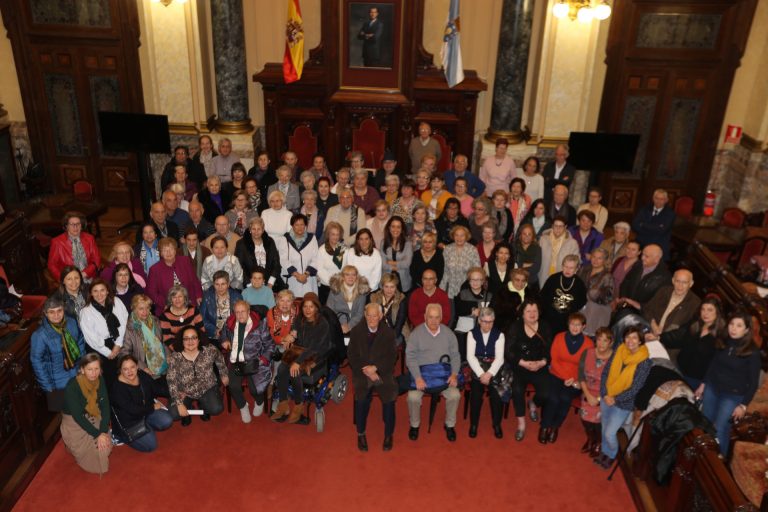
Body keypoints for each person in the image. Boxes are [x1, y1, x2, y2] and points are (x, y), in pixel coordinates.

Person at [698, 310, 761, 455]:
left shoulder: (752, 352)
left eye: (739, 326)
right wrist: (703, 384)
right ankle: (702, 458)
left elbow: (753, 383)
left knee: (720, 429)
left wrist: (743, 406)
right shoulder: (723, 341)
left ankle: (718, 462)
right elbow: (713, 365)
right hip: (712, 388)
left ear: (746, 330)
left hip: (732, 396)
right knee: (705, 423)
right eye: (732, 324)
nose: (733, 328)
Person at [271, 293, 332, 424]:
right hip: (300, 350)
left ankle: (298, 405)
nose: (307, 310)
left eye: (311, 307)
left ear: (316, 308)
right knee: (282, 369)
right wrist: (291, 335)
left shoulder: (323, 324)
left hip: (316, 353)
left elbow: (314, 348)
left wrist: (297, 363)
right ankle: (283, 404)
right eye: (305, 307)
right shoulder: (300, 318)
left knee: (294, 372)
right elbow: (295, 328)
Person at [596, 325, 652, 469]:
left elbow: (636, 388)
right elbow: (606, 372)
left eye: (634, 337)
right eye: (627, 337)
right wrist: (605, 393)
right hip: (607, 395)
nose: (630, 340)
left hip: (623, 403)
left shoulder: (645, 361)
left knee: (610, 432)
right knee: (604, 428)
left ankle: (612, 454)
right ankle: (604, 452)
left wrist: (615, 399)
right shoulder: (619, 350)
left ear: (640, 341)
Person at [406, 303, 461, 442]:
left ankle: (449, 425)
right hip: (422, 375)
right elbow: (410, 357)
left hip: (444, 376)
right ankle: (414, 425)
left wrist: (454, 374)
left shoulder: (449, 334)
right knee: (413, 397)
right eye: (430, 317)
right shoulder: (416, 334)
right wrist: (417, 378)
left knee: (455, 395)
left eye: (437, 317)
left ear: (441, 318)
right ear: (425, 317)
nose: (434, 321)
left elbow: (455, 356)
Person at [348, 303, 397, 451]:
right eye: (368, 315)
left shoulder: (388, 333)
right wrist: (368, 370)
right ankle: (361, 433)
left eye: (375, 315)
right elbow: (352, 355)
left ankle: (389, 434)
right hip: (362, 371)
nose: (371, 318)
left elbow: (391, 357)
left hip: (382, 371)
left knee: (389, 394)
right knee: (362, 397)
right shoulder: (357, 331)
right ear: (364, 315)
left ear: (381, 316)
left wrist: (376, 368)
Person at [541, 313, 593, 444]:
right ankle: (544, 426)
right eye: (572, 324)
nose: (575, 327)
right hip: (556, 374)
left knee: (564, 398)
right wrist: (565, 377)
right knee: (553, 398)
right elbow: (554, 359)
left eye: (578, 325)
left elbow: (586, 366)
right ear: (568, 325)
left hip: (575, 379)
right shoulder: (559, 337)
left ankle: (555, 427)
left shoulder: (588, 343)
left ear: (584, 326)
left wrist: (574, 379)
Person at [506, 298, 552, 442]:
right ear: (522, 313)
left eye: (535, 311)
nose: (532, 314)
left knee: (546, 393)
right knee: (517, 390)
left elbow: (550, 349)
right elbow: (508, 351)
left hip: (539, 366)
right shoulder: (515, 327)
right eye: (528, 311)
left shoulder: (545, 326)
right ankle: (521, 424)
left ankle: (533, 404)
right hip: (520, 366)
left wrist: (543, 362)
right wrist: (523, 363)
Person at [220, 300, 274, 423]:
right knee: (233, 385)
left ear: (249, 311)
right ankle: (243, 406)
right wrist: (224, 340)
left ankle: (259, 402)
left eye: (243, 311)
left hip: (254, 361)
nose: (240, 315)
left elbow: (270, 345)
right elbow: (222, 335)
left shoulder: (260, 325)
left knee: (255, 388)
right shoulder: (229, 323)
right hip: (235, 361)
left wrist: (263, 359)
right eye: (237, 312)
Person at [655, 297, 725, 390]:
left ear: (717, 312)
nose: (705, 313)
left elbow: (716, 364)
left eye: (710, 310)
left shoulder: (721, 335)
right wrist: (659, 337)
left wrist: (704, 384)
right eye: (703, 309)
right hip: (678, 368)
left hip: (695, 379)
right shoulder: (695, 324)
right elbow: (679, 335)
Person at [31, 295, 86, 411]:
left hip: (77, 375)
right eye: (51, 312)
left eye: (59, 311)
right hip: (57, 384)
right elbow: (37, 362)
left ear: (63, 309)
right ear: (45, 313)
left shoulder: (71, 322)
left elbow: (80, 342)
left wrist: (82, 366)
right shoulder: (39, 335)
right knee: (67, 416)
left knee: (82, 408)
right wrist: (48, 387)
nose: (56, 315)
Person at [110, 354, 173, 452]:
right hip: (130, 422)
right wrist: (152, 407)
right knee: (151, 446)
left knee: (167, 420)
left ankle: (146, 426)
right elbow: (132, 410)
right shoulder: (117, 388)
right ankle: (119, 436)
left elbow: (156, 388)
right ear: (120, 370)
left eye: (132, 367)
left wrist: (174, 392)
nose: (130, 371)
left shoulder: (142, 375)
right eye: (125, 369)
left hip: (145, 412)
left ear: (137, 367)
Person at [60, 354, 111, 474]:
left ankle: (73, 445)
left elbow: (105, 406)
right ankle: (71, 445)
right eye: (89, 369)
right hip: (74, 420)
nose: (93, 373)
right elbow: (78, 416)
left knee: (105, 448)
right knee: (94, 457)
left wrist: (103, 431)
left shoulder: (100, 379)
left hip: (92, 413)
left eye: (96, 369)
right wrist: (97, 434)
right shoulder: (72, 387)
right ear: (82, 370)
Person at [167, 326, 227, 425]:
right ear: (182, 341)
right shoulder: (175, 357)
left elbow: (219, 358)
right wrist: (179, 403)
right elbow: (171, 381)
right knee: (174, 414)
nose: (190, 341)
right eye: (186, 338)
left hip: (206, 388)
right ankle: (188, 408)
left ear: (199, 339)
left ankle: (203, 405)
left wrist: (224, 374)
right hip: (184, 392)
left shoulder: (209, 350)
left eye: (193, 337)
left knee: (216, 409)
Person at [79, 278, 129, 386]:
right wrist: (108, 352)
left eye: (102, 290)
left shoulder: (117, 302)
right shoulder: (86, 311)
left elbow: (123, 324)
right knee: (107, 380)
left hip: (118, 340)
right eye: (95, 291)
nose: (99, 294)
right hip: (99, 347)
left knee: (122, 373)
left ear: (107, 291)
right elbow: (91, 337)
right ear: (91, 293)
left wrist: (118, 345)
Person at [466, 307, 505, 439]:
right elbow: (470, 357)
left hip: (494, 368)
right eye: (484, 321)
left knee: (496, 395)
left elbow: (500, 358)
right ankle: (474, 424)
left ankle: (497, 424)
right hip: (477, 367)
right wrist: (481, 374)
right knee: (476, 395)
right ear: (479, 321)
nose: (487, 325)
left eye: (490, 322)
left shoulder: (500, 335)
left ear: (494, 321)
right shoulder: (471, 334)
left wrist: (489, 374)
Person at [121, 294, 170, 397]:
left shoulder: (155, 321)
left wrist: (169, 355)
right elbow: (125, 354)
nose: (145, 312)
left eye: (147, 308)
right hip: (143, 367)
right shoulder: (130, 327)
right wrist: (142, 367)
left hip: (162, 364)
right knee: (164, 392)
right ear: (134, 309)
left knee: (173, 389)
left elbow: (162, 342)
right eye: (141, 309)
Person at [579, 327, 614, 458]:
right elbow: (581, 375)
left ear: (610, 342)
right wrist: (588, 395)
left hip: (605, 394)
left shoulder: (615, 358)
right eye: (599, 339)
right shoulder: (587, 353)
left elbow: (615, 383)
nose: (601, 343)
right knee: (585, 419)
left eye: (605, 340)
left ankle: (598, 442)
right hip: (587, 391)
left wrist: (599, 398)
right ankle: (590, 439)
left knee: (598, 422)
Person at [146, 237, 203, 315]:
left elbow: (194, 280)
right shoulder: (154, 269)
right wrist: (166, 304)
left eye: (171, 249)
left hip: (189, 303)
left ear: (175, 250)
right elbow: (152, 293)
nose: (168, 252)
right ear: (161, 253)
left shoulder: (185, 261)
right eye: (165, 250)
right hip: (167, 308)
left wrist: (198, 295)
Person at [642, 269, 700, 338]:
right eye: (677, 281)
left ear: (691, 284)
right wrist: (654, 325)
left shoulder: (695, 304)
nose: (680, 286)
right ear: (673, 281)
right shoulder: (663, 291)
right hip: (649, 331)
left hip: (668, 344)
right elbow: (647, 309)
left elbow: (685, 332)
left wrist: (661, 337)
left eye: (684, 282)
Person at [539, 254, 587, 336]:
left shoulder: (579, 284)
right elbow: (543, 296)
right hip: (549, 318)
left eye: (571, 268)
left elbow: (581, 302)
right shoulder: (553, 278)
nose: (568, 270)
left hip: (566, 321)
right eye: (566, 266)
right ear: (562, 266)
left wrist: (569, 312)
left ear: (577, 269)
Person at [48, 212, 101, 282]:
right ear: (66, 226)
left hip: (88, 277)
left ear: (81, 225)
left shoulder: (90, 238)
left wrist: (85, 273)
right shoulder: (57, 242)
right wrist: (64, 278)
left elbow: (96, 259)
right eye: (72, 224)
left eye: (78, 224)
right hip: (69, 281)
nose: (75, 227)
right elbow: (52, 265)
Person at [616, 244, 670, 312]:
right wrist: (623, 297)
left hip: (641, 313)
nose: (642, 258)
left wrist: (639, 306)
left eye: (646, 256)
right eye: (642, 254)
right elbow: (626, 282)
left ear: (656, 259)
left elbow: (658, 302)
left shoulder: (664, 278)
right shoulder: (638, 264)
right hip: (625, 306)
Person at [276, 213, 319, 298]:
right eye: (297, 225)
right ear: (292, 225)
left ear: (305, 225)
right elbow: (283, 260)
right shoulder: (284, 239)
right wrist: (298, 275)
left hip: (308, 279)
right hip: (291, 279)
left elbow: (316, 258)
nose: (300, 227)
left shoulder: (312, 238)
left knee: (309, 304)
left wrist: (305, 275)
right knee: (291, 303)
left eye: (302, 224)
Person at [454, 267, 492, 360]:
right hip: (463, 331)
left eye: (478, 280)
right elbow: (459, 310)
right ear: (469, 281)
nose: (475, 282)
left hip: (483, 331)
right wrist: (472, 310)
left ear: (483, 281)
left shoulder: (489, 296)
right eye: (472, 279)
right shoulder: (462, 294)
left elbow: (492, 313)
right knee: (463, 357)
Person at [235, 217, 283, 291]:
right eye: (254, 229)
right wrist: (250, 285)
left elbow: (276, 264)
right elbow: (239, 267)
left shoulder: (270, 241)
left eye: (259, 229)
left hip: (270, 283)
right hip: (249, 284)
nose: (256, 232)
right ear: (250, 230)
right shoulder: (241, 244)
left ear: (263, 230)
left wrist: (270, 283)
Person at [578, 248, 615, 336]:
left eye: (600, 258)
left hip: (596, 311)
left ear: (605, 260)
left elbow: (608, 298)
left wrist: (590, 294)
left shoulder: (607, 276)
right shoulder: (584, 269)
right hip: (581, 306)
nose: (595, 260)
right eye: (594, 257)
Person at [632, 189, 676, 259]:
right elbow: (634, 225)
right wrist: (656, 227)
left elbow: (662, 230)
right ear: (653, 198)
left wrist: (643, 224)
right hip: (641, 243)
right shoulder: (644, 209)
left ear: (666, 200)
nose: (658, 201)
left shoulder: (670, 214)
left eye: (661, 199)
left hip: (658, 245)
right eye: (656, 198)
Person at [201, 270, 243, 343]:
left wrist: (228, 332)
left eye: (223, 284)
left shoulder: (237, 297)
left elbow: (242, 318)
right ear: (213, 284)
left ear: (228, 284)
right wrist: (214, 330)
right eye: (217, 284)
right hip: (212, 337)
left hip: (232, 336)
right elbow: (202, 318)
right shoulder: (207, 297)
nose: (220, 287)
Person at [327, 265, 370, 335]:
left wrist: (349, 326)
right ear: (342, 277)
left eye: (353, 275)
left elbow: (360, 314)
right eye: (347, 275)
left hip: (356, 325)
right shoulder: (335, 290)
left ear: (357, 277)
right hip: (337, 324)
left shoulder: (361, 290)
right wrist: (341, 324)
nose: (351, 277)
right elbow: (329, 311)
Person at [440, 225, 481, 299]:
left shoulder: (472, 250)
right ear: (453, 236)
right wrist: (441, 290)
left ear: (466, 236)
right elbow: (444, 271)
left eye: (462, 235)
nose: (459, 238)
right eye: (457, 235)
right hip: (450, 289)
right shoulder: (447, 249)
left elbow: (477, 270)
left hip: (467, 289)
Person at [538, 216, 580, 286]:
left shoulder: (572, 243)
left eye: (561, 226)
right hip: (544, 273)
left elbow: (576, 262)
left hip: (562, 275)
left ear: (565, 227)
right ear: (552, 226)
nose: (558, 228)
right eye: (556, 226)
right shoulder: (543, 239)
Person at [369, 273, 409, 345]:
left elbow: (399, 323)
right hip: (377, 331)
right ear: (382, 287)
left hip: (396, 332)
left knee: (387, 345)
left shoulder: (401, 299)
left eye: (392, 287)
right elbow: (370, 318)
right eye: (386, 286)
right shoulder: (374, 297)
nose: (389, 290)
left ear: (396, 287)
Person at [314, 221, 347, 304]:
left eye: (337, 234)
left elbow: (346, 268)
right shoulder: (322, 249)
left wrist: (340, 282)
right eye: (333, 234)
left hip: (341, 286)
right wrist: (332, 283)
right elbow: (319, 270)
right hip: (325, 286)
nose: (335, 237)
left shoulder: (344, 249)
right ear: (328, 235)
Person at [490, 268, 531, 334]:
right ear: (512, 279)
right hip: (506, 328)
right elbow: (495, 312)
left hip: (527, 327)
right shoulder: (502, 292)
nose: (520, 283)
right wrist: (516, 310)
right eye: (517, 280)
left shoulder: (530, 292)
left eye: (523, 280)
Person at [380, 216, 413, 291]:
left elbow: (407, 263)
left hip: (403, 281)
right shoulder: (383, 242)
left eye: (398, 227)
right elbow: (383, 264)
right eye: (393, 226)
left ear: (402, 229)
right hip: (386, 280)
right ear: (389, 228)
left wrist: (391, 262)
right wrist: (394, 267)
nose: (395, 230)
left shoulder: (407, 243)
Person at [514, 224, 542, 290]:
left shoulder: (537, 248)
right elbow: (513, 264)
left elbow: (536, 268)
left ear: (533, 236)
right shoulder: (514, 246)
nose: (527, 236)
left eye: (529, 234)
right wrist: (526, 264)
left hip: (532, 283)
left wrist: (520, 265)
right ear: (520, 235)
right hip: (516, 283)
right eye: (524, 234)